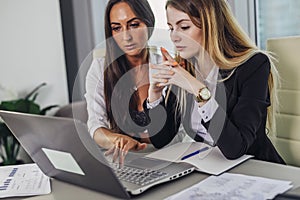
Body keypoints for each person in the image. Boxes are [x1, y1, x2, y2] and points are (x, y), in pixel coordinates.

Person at [146, 0, 285, 164]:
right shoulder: (186, 67)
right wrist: (154, 95)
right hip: (212, 168)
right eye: (171, 28)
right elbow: (161, 139)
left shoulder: (253, 65)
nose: (174, 37)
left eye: (184, 27)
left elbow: (236, 148)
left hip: (257, 168)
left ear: (210, 25)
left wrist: (198, 90)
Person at [85, 0, 184, 164]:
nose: (126, 36)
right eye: (117, 28)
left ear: (148, 23)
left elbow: (178, 134)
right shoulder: (99, 69)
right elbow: (96, 127)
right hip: (123, 160)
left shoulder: (166, 67)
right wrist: (118, 140)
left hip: (166, 158)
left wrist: (143, 144)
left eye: (134, 25)